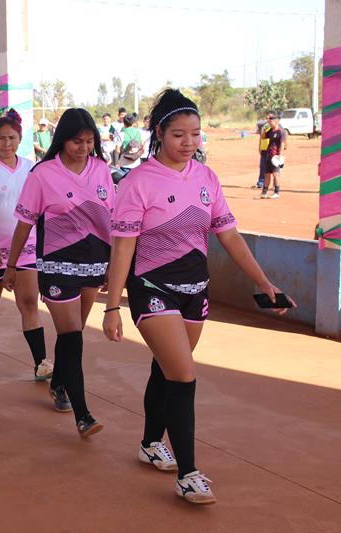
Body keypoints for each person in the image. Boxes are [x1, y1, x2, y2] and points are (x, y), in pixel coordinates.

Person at [103, 89, 294, 504]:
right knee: (184, 376)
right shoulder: (137, 183)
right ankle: (188, 474)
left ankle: (150, 442)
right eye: (178, 134)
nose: (188, 143)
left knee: (167, 370)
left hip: (195, 291)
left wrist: (263, 282)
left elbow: (228, 236)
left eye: (195, 134)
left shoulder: (206, 177)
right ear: (159, 133)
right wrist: (113, 306)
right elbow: (123, 247)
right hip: (152, 288)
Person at [5, 108, 113, 438]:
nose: (83, 147)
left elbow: (110, 216)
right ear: (62, 141)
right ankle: (83, 414)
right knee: (73, 336)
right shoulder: (43, 174)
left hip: (94, 262)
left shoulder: (101, 170)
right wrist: (12, 265)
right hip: (56, 263)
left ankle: (60, 383)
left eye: (89, 141)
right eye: (77, 141)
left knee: (74, 332)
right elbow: (24, 222)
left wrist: (113, 266)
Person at [0, 109, 53, 377]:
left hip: (26, 249)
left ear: (20, 137)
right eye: (1, 138)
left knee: (28, 303)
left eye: (12, 138)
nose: (7, 143)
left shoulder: (31, 168)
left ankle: (41, 363)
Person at [262, 112, 284, 199]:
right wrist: (264, 129)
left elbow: (282, 144)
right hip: (269, 155)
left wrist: (279, 155)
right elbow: (263, 137)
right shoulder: (270, 131)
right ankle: (264, 192)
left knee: (276, 174)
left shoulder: (281, 132)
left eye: (271, 121)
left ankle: (277, 192)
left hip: (275, 157)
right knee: (267, 174)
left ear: (276, 121)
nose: (269, 123)